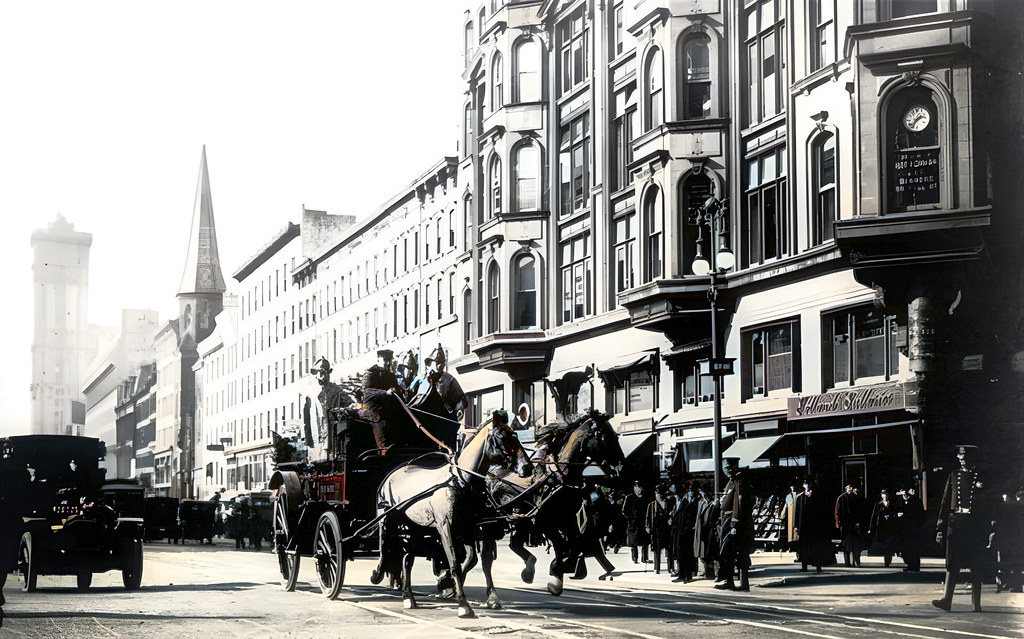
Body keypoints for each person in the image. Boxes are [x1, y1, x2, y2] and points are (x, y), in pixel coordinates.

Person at [933, 445, 995, 612]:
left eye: (965, 457)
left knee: (976, 564)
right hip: (956, 523)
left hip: (975, 524)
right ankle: (947, 600)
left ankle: (977, 604)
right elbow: (945, 502)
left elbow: (990, 503)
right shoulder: (953, 475)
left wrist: (990, 525)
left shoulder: (982, 476)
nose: (962, 459)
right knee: (953, 564)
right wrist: (940, 527)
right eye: (960, 457)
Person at [714, 457, 754, 591]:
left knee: (732, 553)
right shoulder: (735, 482)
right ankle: (731, 581)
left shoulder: (738, 482)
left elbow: (739, 503)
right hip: (731, 521)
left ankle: (737, 582)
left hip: (734, 523)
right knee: (730, 553)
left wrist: (735, 521)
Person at [795, 476, 837, 573]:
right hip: (804, 527)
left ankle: (818, 566)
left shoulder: (818, 497)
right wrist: (796, 526)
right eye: (806, 484)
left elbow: (823, 512)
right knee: (804, 548)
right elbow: (798, 513)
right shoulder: (800, 498)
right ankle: (804, 566)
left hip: (815, 527)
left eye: (809, 484)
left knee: (816, 548)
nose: (807, 486)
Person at [992, 487, 1024, 593]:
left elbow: (996, 522)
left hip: (1005, 537)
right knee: (1017, 563)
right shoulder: (1019, 506)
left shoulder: (1003, 507)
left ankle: (1005, 583)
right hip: (1018, 537)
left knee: (1004, 561)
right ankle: (1017, 585)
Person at [835, 484, 866, 567]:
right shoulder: (841, 498)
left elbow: (860, 511)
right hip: (847, 525)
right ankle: (849, 562)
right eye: (848, 488)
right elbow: (838, 512)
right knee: (847, 545)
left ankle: (854, 561)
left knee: (853, 544)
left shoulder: (855, 498)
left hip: (852, 524)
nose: (850, 489)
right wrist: (839, 523)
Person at [897, 484, 925, 572]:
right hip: (903, 529)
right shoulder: (899, 501)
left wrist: (918, 525)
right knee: (904, 549)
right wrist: (897, 515)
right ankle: (909, 564)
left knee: (914, 548)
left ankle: (915, 565)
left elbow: (922, 515)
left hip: (913, 529)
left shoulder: (916, 501)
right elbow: (894, 511)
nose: (904, 494)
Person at [622, 482, 650, 565]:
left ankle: (644, 557)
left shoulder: (645, 497)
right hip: (633, 522)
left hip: (643, 521)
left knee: (645, 541)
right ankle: (635, 557)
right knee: (634, 541)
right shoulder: (629, 497)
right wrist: (631, 518)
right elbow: (624, 510)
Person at [867, 489, 898, 567]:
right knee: (884, 543)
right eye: (883, 494)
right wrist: (870, 528)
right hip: (881, 527)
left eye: (886, 494)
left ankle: (888, 559)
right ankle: (886, 558)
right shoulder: (878, 504)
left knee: (889, 544)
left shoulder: (892, 504)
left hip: (890, 527)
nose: (885, 495)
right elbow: (874, 516)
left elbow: (894, 513)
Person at [646, 484, 672, 575]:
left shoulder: (669, 503)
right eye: (657, 492)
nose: (658, 494)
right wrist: (648, 527)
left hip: (667, 530)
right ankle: (657, 567)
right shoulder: (652, 505)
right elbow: (648, 518)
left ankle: (670, 567)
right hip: (656, 530)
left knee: (669, 550)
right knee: (657, 549)